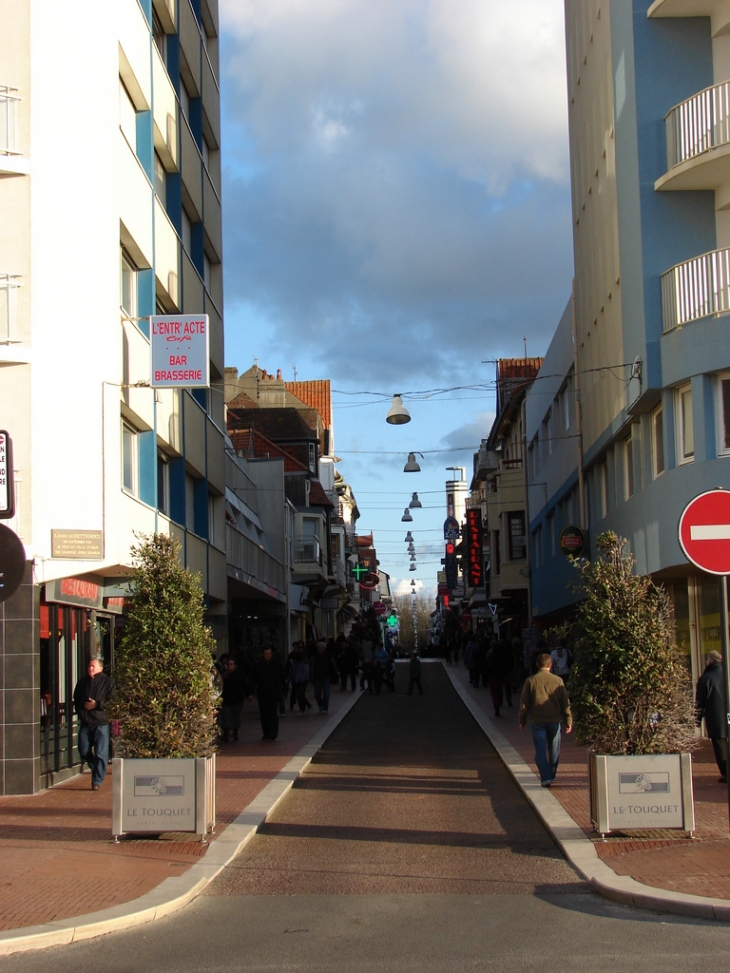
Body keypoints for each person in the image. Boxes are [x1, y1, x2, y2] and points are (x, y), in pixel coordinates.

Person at [518, 652, 572, 787]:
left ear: (537, 665)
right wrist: (568, 720)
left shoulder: (531, 681)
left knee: (540, 750)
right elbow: (565, 702)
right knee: (554, 749)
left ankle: (545, 776)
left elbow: (524, 703)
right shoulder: (558, 680)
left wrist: (522, 720)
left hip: (537, 720)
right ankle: (551, 773)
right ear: (550, 664)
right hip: (554, 719)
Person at [73, 657, 115, 790]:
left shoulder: (108, 682)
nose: (90, 668)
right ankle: (96, 768)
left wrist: (97, 704)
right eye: (89, 666)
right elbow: (76, 699)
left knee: (101, 753)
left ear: (101, 668)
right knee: (83, 750)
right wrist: (81, 712)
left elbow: (113, 702)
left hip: (101, 723)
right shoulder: (82, 683)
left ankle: (97, 780)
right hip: (86, 723)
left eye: (93, 666)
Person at [696, 651, 727, 782]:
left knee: (720, 746)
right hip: (727, 716)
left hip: (716, 719)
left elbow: (700, 702)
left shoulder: (706, 678)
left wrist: (696, 718)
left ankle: (726, 773)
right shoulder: (727, 674)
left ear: (709, 662)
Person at [248, 647, 285, 740]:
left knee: (273, 712)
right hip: (262, 692)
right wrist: (251, 692)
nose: (268, 656)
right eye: (266, 654)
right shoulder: (258, 665)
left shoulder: (276, 664)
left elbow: (282, 676)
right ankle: (266, 733)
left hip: (274, 692)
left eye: (269, 653)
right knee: (264, 714)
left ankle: (274, 732)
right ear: (263, 654)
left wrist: (278, 685)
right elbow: (253, 679)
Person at [219, 657, 247, 742]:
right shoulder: (224, 675)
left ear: (235, 665)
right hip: (226, 700)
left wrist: (248, 694)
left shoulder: (240, 675)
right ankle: (226, 734)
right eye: (228, 664)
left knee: (235, 717)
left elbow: (244, 685)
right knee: (226, 717)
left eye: (231, 664)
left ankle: (235, 733)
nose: (230, 666)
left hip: (237, 699)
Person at [311, 641, 335, 713]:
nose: (318, 649)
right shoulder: (314, 656)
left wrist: (333, 673)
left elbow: (332, 665)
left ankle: (325, 708)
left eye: (320, 648)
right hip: (317, 677)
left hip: (326, 677)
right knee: (317, 694)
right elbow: (312, 667)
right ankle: (320, 703)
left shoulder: (328, 655)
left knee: (326, 693)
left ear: (323, 649)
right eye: (318, 648)